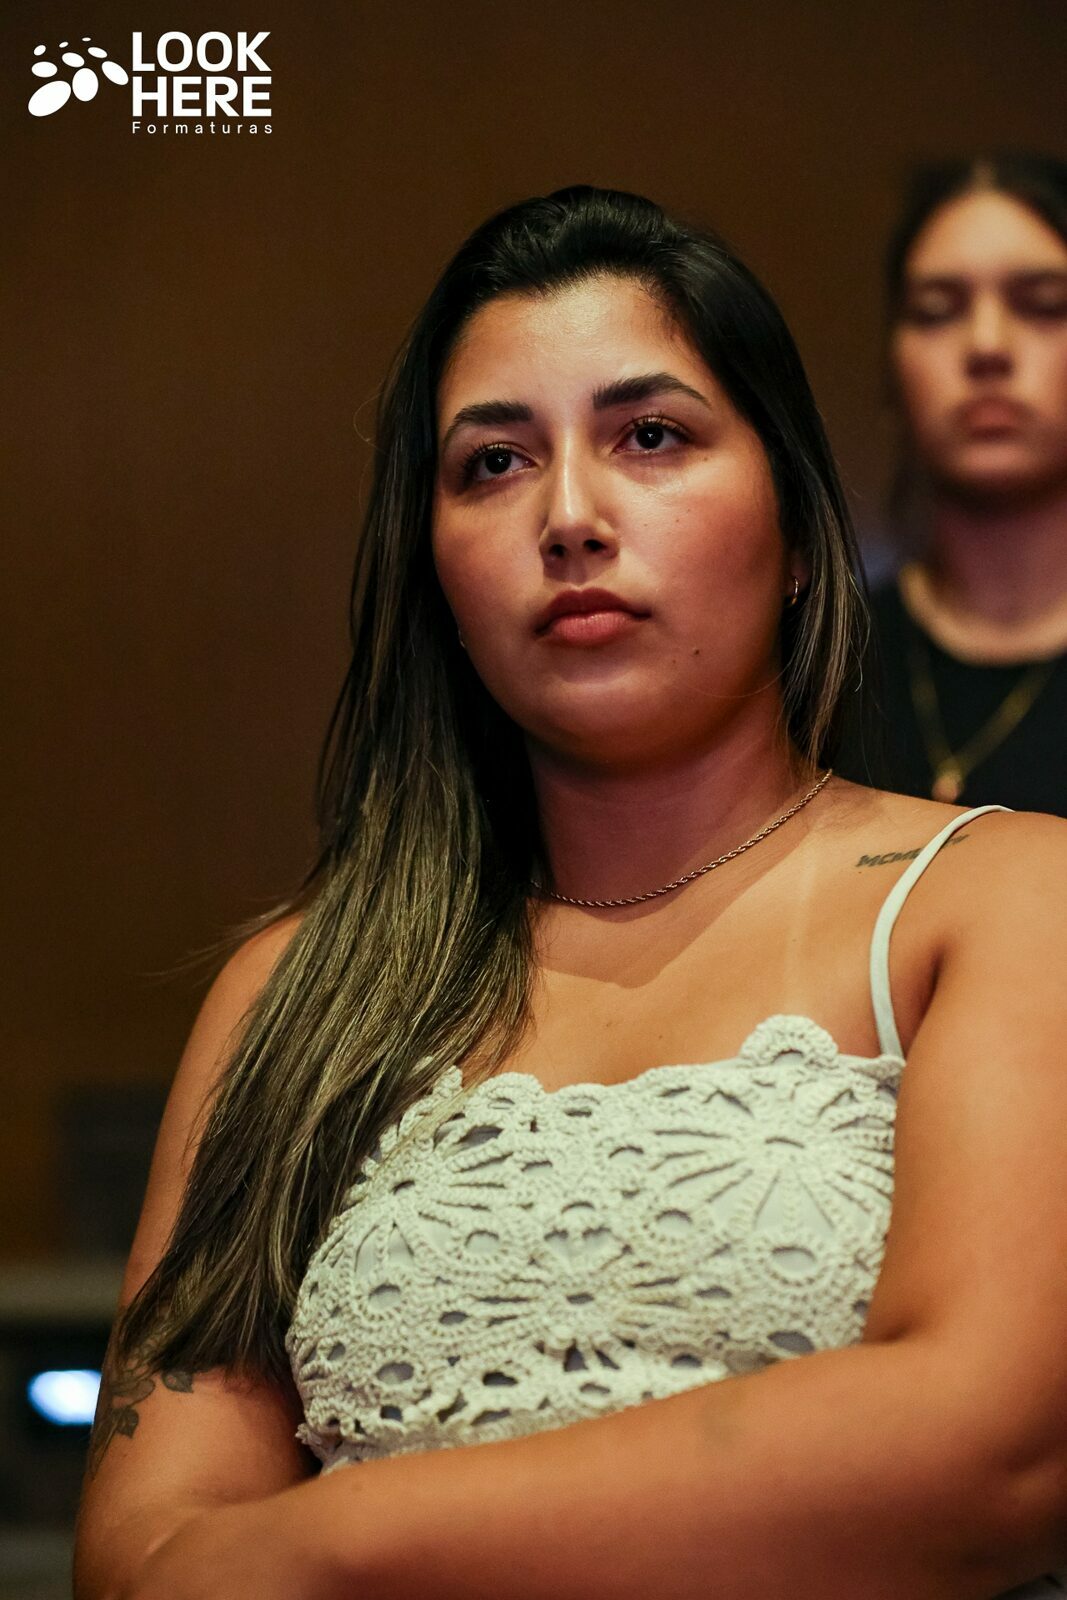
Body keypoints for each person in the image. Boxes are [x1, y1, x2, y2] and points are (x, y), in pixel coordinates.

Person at [73, 186, 1067, 1600]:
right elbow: (146, 1556)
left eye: (649, 436)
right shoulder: (294, 992)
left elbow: (991, 1450)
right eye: (491, 463)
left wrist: (336, 1535)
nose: (570, 517)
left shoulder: (1005, 899)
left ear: (798, 531)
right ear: (433, 570)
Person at [837, 153, 1067, 812]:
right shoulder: (815, 670)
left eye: (1044, 306)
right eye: (937, 311)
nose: (987, 345)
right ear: (891, 370)